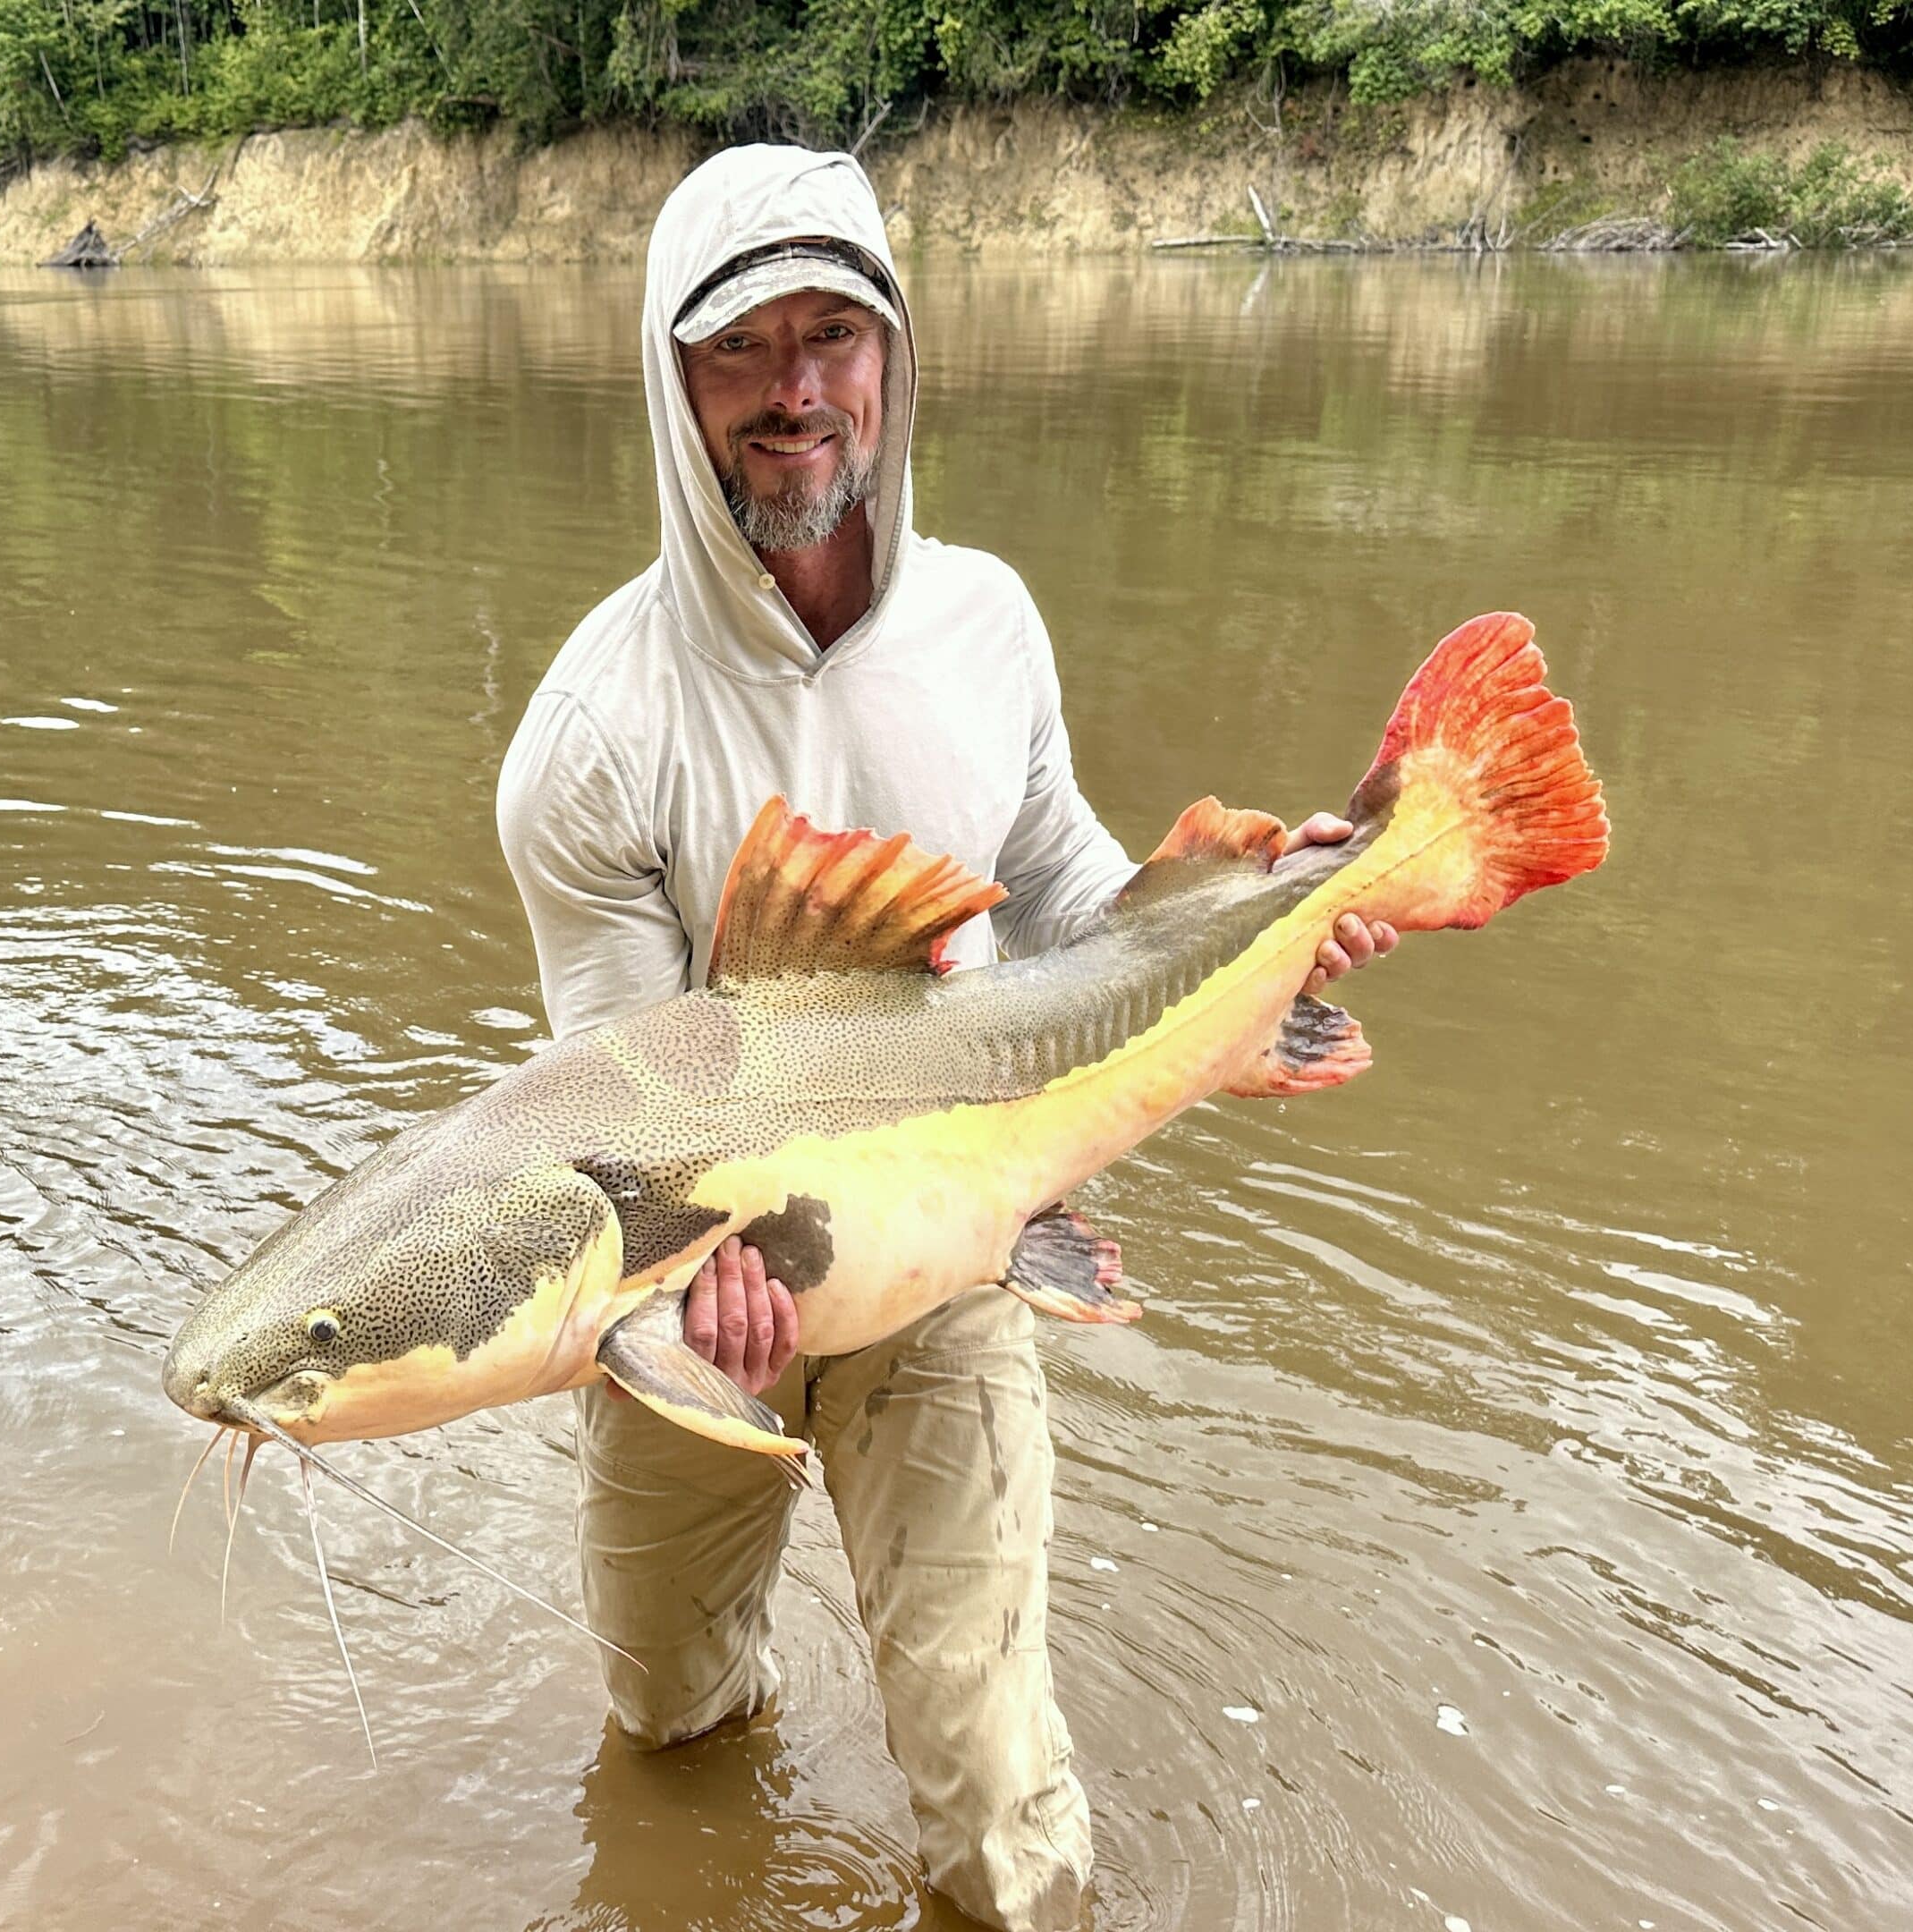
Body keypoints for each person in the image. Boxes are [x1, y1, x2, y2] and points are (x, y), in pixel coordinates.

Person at [495, 144, 1393, 1932]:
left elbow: (1062, 894)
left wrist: (1254, 918)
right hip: (695, 1313)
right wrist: (682, 1294)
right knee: (670, 1720)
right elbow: (619, 1110)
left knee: (996, 1813)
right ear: (673, 382)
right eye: (740, 347)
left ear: (896, 355)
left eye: (833, 334)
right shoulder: (588, 735)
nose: (795, 390)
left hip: (955, 1253)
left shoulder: (988, 623)